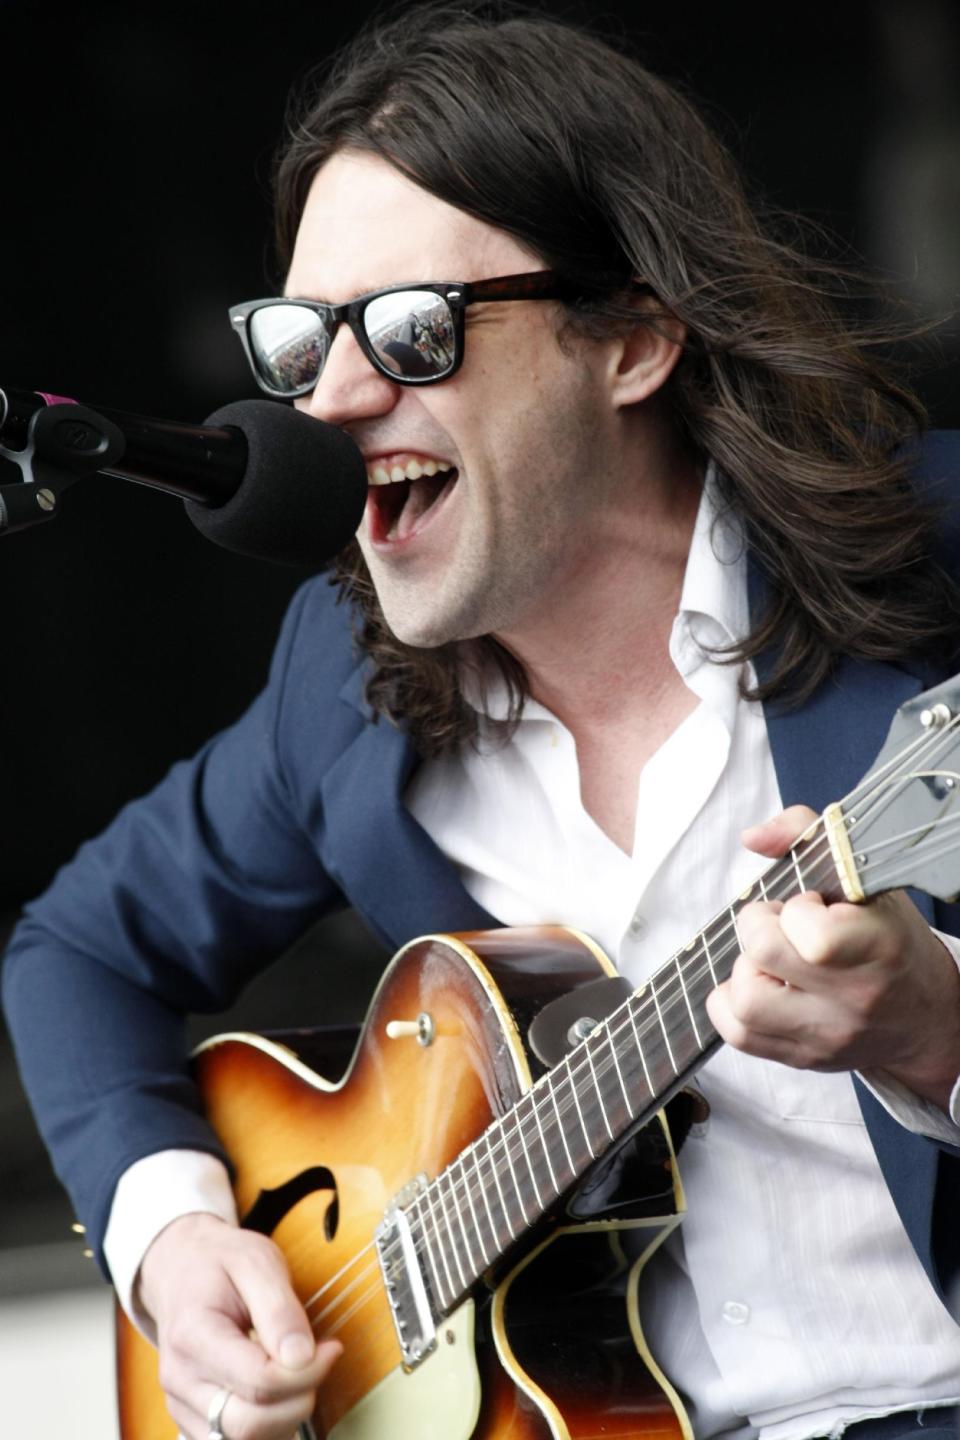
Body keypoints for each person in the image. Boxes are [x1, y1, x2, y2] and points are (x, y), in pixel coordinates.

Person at [4, 4, 960, 1439]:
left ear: (632, 336)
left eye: (412, 328)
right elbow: (76, 950)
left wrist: (941, 1033)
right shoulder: (339, 680)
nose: (332, 397)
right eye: (301, 339)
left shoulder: (942, 554)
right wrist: (172, 1241)